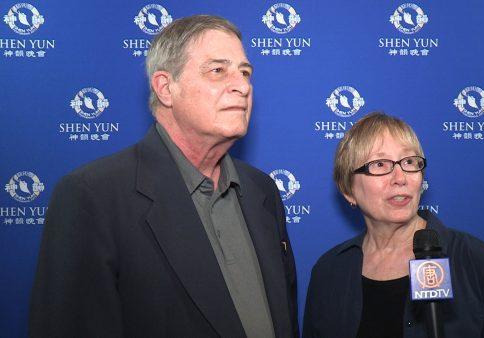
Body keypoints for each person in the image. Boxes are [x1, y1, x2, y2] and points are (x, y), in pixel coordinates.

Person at [29, 15, 298, 338]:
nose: (242, 86)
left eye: (245, 73)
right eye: (218, 71)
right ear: (165, 88)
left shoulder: (261, 190)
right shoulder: (92, 197)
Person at [303, 112, 484, 338]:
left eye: (409, 162)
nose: (401, 178)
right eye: (380, 164)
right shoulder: (329, 271)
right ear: (348, 189)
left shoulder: (476, 262)